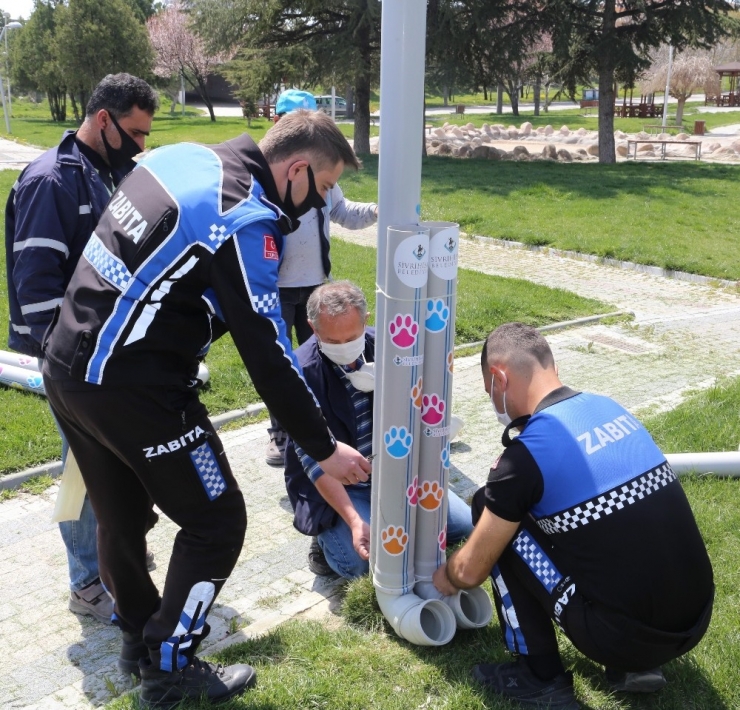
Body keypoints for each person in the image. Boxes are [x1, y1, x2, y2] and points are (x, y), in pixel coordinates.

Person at [42, 109, 372, 708]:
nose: (320, 204)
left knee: (121, 518)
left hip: (68, 365)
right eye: (323, 189)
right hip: (135, 389)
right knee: (218, 520)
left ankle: (140, 643)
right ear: (295, 169)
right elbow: (269, 355)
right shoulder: (244, 213)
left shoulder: (187, 155)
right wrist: (324, 449)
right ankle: (170, 670)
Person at [432, 322, 714, 709]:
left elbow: (470, 573)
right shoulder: (608, 407)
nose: (495, 403)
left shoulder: (524, 456)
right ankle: (636, 665)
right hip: (695, 619)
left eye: (489, 392)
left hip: (625, 637)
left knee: (489, 507)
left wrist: (444, 578)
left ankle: (540, 674)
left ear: (499, 377)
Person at [5, 73, 158, 624]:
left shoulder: (107, 172)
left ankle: (116, 557)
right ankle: (86, 581)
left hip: (108, 357)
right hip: (73, 364)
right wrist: (68, 364)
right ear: (103, 120)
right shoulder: (51, 181)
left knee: (116, 466)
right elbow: (36, 287)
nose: (143, 146)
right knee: (83, 474)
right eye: (137, 133)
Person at [284, 281, 473, 578]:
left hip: (394, 468)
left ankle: (394, 516)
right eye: (333, 341)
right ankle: (325, 538)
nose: (346, 348)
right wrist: (353, 520)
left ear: (366, 319)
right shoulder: (297, 373)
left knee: (462, 526)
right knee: (358, 563)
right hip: (340, 484)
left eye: (353, 336)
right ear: (312, 327)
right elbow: (314, 463)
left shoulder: (392, 345)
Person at [264, 89, 377, 467]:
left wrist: (379, 210)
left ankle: (327, 427)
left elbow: (344, 212)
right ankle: (280, 434)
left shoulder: (323, 172)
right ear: (279, 124)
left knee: (323, 359)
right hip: (277, 290)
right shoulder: (272, 180)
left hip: (315, 287)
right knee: (281, 363)